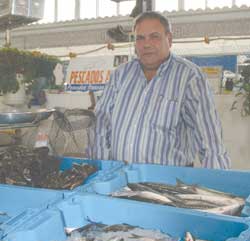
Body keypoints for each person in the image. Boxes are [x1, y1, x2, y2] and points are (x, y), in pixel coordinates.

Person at [91, 11, 231, 169]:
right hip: (118, 179)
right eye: (140, 38)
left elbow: (210, 142)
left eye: (154, 36)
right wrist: (100, 173)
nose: (146, 44)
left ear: (169, 39)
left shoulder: (190, 77)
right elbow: (100, 126)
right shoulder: (120, 76)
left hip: (168, 186)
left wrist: (218, 184)